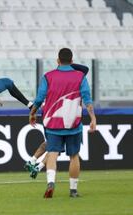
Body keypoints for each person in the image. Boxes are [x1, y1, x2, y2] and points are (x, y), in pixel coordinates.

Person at [29, 48, 96, 198]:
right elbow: (87, 100)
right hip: (73, 123)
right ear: (72, 61)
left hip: (53, 123)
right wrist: (93, 118)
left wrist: (32, 113)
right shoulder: (80, 76)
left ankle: (51, 183)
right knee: (74, 156)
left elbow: (39, 99)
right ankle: (73, 190)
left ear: (57, 60)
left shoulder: (48, 76)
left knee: (52, 153)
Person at [25, 63, 90, 179]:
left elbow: (86, 69)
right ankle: (36, 164)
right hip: (60, 112)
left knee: (51, 145)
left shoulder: (52, 76)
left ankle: (34, 162)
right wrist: (68, 63)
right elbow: (85, 69)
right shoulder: (74, 77)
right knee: (54, 148)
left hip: (51, 112)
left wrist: (65, 64)